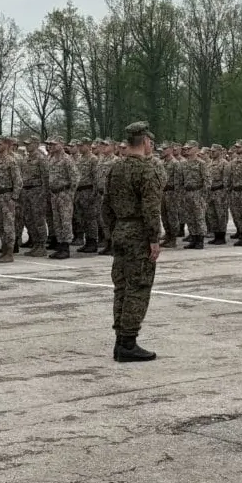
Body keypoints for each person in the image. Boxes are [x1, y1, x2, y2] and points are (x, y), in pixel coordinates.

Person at [102, 121, 163, 362]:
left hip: (121, 230)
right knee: (138, 287)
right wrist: (154, 239)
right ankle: (128, 343)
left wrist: (113, 231)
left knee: (122, 287)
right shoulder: (146, 170)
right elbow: (151, 208)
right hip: (138, 233)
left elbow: (105, 206)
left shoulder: (115, 168)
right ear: (146, 142)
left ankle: (120, 340)